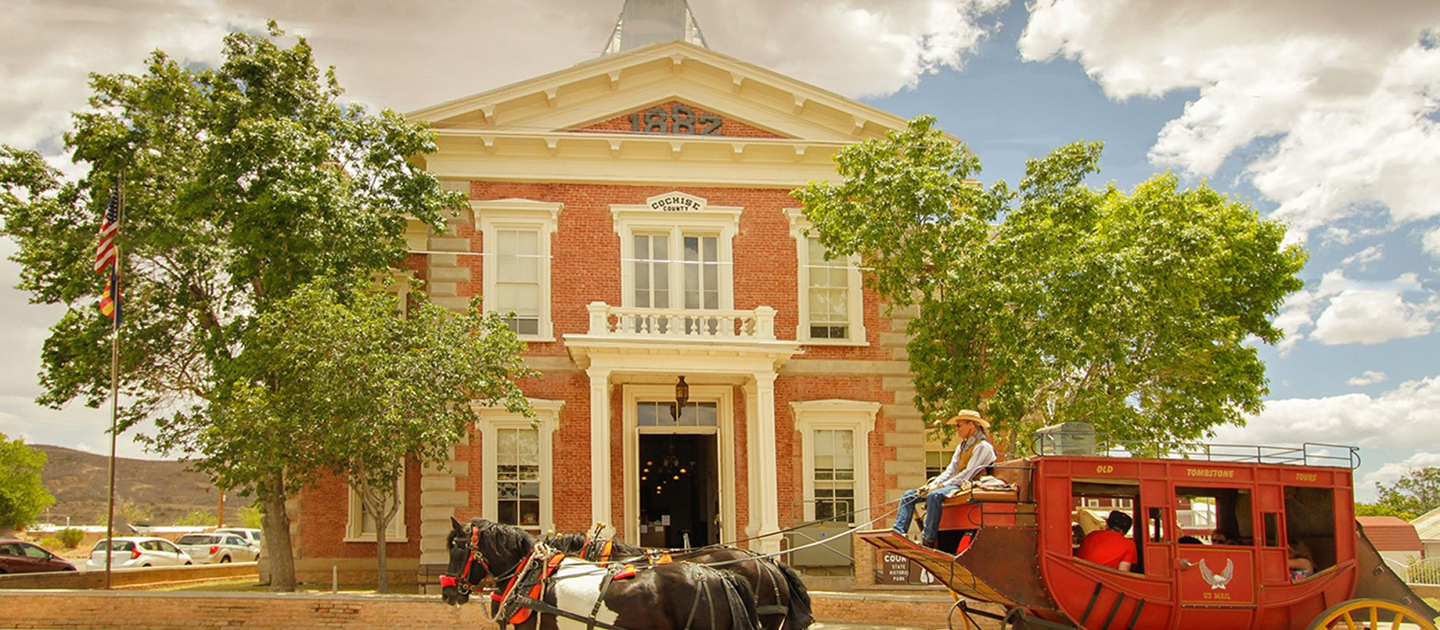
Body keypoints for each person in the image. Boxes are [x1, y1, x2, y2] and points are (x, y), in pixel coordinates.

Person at [892, 409, 997, 549]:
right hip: (956, 484)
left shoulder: (983, 447)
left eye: (959, 425)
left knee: (934, 496)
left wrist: (939, 487)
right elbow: (950, 471)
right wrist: (931, 485)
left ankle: (928, 540)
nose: (956, 429)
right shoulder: (962, 447)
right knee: (909, 495)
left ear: (971, 425)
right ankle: (898, 533)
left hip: (969, 485)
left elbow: (968, 473)